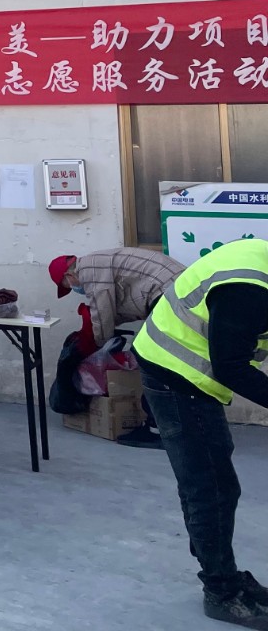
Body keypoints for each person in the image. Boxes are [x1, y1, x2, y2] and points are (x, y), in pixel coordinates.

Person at [134, 238, 268, 629]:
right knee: (210, 488)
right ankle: (220, 590)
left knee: (214, 484)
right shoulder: (249, 288)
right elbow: (230, 365)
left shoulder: (260, 266)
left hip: (184, 369)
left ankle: (224, 573)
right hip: (175, 372)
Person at [50, 246, 184, 448]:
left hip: (169, 292)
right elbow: (122, 307)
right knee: (170, 361)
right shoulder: (98, 263)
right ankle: (172, 425)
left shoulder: (89, 271)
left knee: (153, 362)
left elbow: (103, 313)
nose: (74, 290)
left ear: (69, 275)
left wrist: (94, 346)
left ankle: (158, 430)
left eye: (68, 286)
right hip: (176, 289)